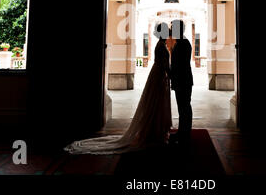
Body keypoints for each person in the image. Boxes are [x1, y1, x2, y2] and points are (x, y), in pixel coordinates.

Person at [64, 22, 172, 155]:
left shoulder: (161, 45)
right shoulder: (161, 46)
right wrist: (172, 75)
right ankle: (155, 131)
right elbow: (164, 65)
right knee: (156, 103)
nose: (169, 33)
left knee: (156, 104)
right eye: (167, 31)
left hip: (159, 76)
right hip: (160, 76)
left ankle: (155, 131)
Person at [169, 19, 194, 146]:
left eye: (173, 28)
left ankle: (185, 133)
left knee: (184, 106)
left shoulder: (183, 43)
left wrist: (171, 74)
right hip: (181, 80)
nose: (171, 30)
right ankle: (182, 131)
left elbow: (181, 65)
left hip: (183, 81)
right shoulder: (180, 42)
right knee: (182, 107)